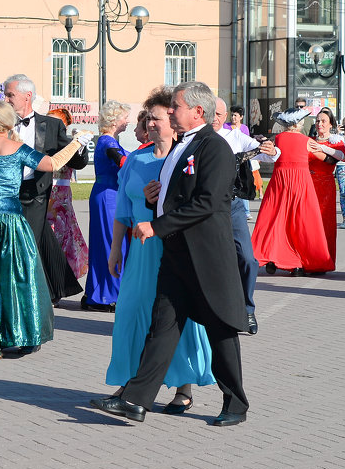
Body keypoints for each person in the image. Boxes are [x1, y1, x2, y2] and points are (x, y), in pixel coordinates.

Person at [89, 81, 249, 427]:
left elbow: (209, 202)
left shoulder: (214, 148)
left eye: (175, 107)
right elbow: (177, 195)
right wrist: (152, 199)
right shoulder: (182, 147)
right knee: (163, 328)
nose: (170, 111)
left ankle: (235, 403)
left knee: (221, 330)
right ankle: (135, 400)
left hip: (206, 257)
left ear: (197, 111)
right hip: (176, 256)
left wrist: (156, 226)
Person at [0, 100, 90, 359]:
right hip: (7, 220)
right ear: (9, 121)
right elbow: (52, 164)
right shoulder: (18, 148)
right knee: (3, 278)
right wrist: (76, 143)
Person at [103, 87, 215, 413]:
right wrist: (114, 252)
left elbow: (198, 204)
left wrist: (161, 201)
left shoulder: (185, 157)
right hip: (139, 251)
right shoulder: (135, 159)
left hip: (173, 249)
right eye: (147, 118)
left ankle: (184, 386)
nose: (150, 124)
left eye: (155, 118)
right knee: (130, 314)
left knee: (175, 319)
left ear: (173, 119)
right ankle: (130, 382)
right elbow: (123, 210)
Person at [2, 74, 87, 307]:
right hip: (6, 193)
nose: (6, 99)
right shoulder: (1, 124)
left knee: (27, 241)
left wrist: (80, 147)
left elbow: (75, 161)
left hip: (35, 194)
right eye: (5, 94)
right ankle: (52, 287)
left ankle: (32, 290)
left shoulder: (51, 125)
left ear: (27, 96)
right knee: (36, 240)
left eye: (10, 94)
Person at [213, 97, 279, 334]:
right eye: (213, 112)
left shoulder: (234, 136)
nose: (216, 118)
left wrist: (272, 149)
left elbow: (266, 154)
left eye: (220, 114)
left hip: (233, 205)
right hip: (206, 209)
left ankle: (247, 309)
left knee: (248, 259)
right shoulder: (195, 137)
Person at [251, 108, 330, 276]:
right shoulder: (306, 140)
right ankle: (298, 261)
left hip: (279, 181)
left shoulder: (276, 139)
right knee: (301, 222)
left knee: (275, 219)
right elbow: (326, 159)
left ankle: (272, 256)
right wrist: (330, 150)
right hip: (301, 183)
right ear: (297, 124)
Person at [83, 100, 131, 312]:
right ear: (114, 120)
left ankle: (99, 293)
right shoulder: (106, 141)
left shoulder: (109, 140)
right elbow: (120, 160)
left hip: (110, 195)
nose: (127, 121)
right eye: (124, 118)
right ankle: (105, 295)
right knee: (111, 244)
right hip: (107, 197)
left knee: (109, 243)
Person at [45, 108, 88, 280]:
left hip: (60, 198)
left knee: (61, 237)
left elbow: (80, 162)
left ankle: (60, 279)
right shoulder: (41, 141)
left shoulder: (70, 144)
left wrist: (80, 145)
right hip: (43, 196)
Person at [305, 109, 345, 275]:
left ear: (331, 123)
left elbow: (344, 156)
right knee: (308, 223)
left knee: (323, 223)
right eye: (317, 121)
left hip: (325, 186)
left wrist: (323, 148)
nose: (320, 124)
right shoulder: (310, 140)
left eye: (323, 121)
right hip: (308, 185)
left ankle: (322, 261)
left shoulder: (335, 141)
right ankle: (307, 260)